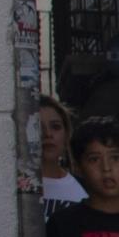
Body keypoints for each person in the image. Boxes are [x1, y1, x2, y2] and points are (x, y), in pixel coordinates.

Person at [39, 96, 86, 224]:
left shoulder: (86, 188)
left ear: (66, 135)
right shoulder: (14, 188)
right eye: (37, 126)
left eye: (55, 127)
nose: (48, 134)